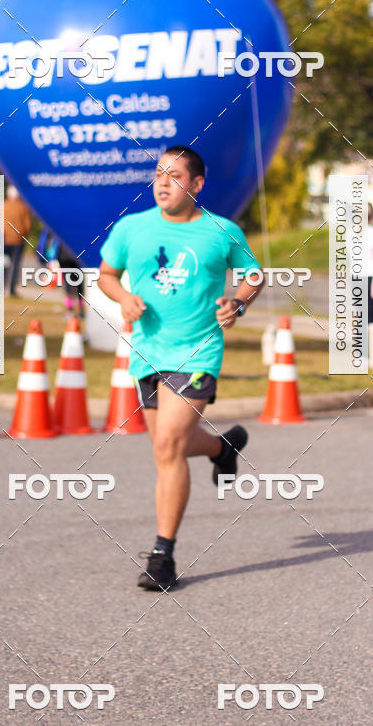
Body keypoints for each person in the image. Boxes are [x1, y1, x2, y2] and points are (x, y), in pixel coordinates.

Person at [98, 146, 264, 591]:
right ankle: (221, 448)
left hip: (198, 353)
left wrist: (237, 304)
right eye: (158, 174)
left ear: (196, 184)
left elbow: (253, 274)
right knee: (166, 446)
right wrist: (123, 298)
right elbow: (106, 274)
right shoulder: (132, 228)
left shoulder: (221, 231)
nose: (162, 183)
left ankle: (162, 556)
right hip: (147, 354)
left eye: (174, 176)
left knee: (168, 446)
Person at [4, 186, 31, 297]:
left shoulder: (3, 206)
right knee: (15, 265)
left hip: (4, 240)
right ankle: (11, 290)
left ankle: (0, 287)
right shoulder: (23, 207)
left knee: (3, 264)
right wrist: (24, 235)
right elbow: (27, 225)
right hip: (18, 241)